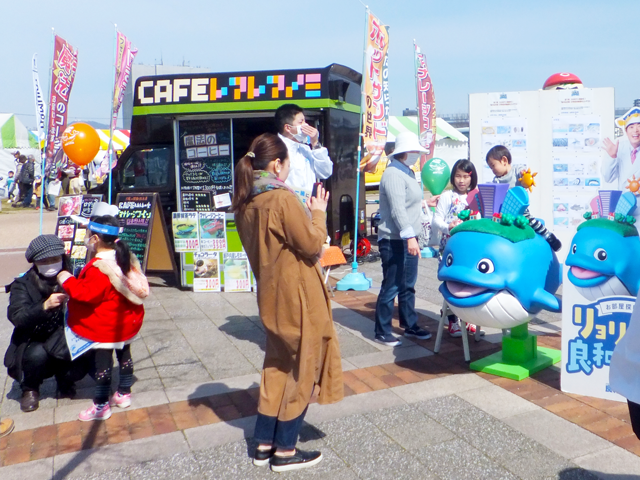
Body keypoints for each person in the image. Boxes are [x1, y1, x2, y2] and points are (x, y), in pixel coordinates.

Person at [232, 133, 343, 472]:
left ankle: (263, 442)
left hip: (269, 294)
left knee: (277, 365)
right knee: (302, 367)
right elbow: (311, 244)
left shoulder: (245, 199)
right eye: (287, 164)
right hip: (298, 295)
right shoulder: (280, 198)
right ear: (277, 163)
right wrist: (319, 213)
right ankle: (285, 449)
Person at [57, 214, 150, 421]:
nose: (88, 238)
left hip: (106, 325)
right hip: (127, 321)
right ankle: (124, 393)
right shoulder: (125, 256)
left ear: (96, 239)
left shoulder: (100, 267)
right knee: (125, 355)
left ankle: (101, 405)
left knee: (103, 365)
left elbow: (86, 294)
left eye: (90, 235)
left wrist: (67, 279)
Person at [5, 235, 79, 412]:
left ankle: (65, 380)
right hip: (35, 339)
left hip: (65, 335)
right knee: (38, 355)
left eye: (55, 259)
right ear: (35, 262)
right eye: (45, 261)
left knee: (83, 355)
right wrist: (44, 306)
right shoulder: (22, 284)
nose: (51, 264)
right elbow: (17, 316)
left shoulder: (73, 276)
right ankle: (30, 388)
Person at [374, 131, 433, 347]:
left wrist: (429, 202)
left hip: (408, 237)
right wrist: (409, 237)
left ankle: (410, 324)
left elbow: (409, 202)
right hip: (394, 239)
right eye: (415, 151)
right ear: (404, 152)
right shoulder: (393, 174)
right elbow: (398, 210)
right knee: (392, 284)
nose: (417, 155)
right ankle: (382, 330)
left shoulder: (406, 171)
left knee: (408, 284)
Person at [433, 159, 483, 337]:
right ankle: (453, 320)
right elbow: (436, 219)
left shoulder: (477, 196)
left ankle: (469, 319)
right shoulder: (447, 196)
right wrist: (448, 226)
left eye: (465, 177)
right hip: (450, 248)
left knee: (470, 283)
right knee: (452, 281)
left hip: (471, 249)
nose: (461, 181)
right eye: (458, 176)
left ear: (472, 178)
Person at [486, 145, 562, 251]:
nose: (492, 170)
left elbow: (525, 178)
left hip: (520, 210)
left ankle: (548, 236)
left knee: (530, 221)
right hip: (505, 212)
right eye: (490, 167)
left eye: (493, 165)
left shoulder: (517, 171)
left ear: (504, 160)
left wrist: (525, 177)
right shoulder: (496, 180)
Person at [275, 104, 333, 199]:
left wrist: (315, 143)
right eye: (300, 122)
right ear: (288, 128)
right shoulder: (276, 148)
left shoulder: (304, 148)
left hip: (309, 207)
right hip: (288, 206)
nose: (305, 125)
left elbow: (325, 172)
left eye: (305, 121)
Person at [602, 107, 640, 194]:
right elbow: (608, 178)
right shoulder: (619, 148)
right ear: (626, 131)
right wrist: (612, 157)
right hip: (624, 203)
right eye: (631, 127)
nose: (636, 130)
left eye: (639, 126)